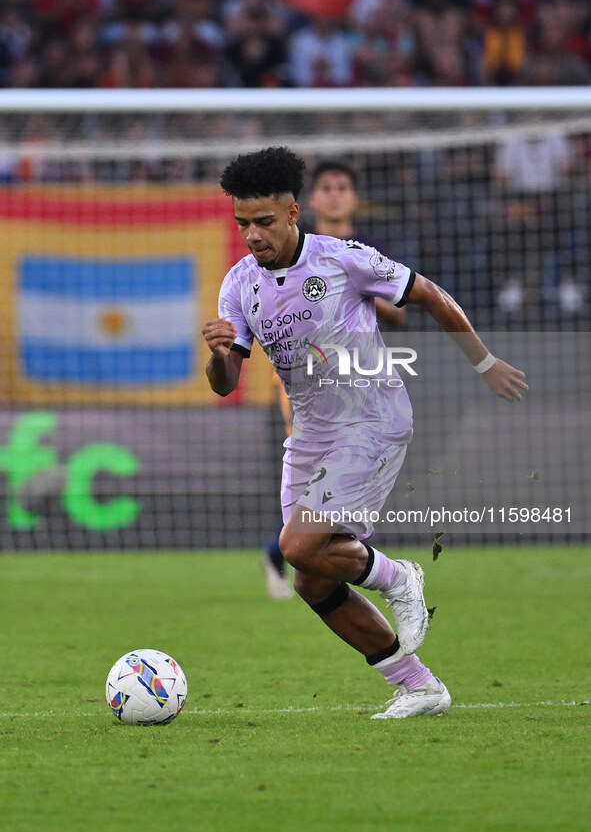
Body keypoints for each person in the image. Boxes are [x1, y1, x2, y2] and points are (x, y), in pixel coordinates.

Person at [202, 146, 527, 719]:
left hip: (372, 417)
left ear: (293, 212)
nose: (252, 235)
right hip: (311, 433)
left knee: (295, 546)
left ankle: (399, 576)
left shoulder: (341, 258)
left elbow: (427, 294)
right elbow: (225, 382)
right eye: (242, 224)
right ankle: (420, 686)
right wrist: (221, 353)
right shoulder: (237, 285)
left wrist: (484, 362)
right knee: (310, 579)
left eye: (264, 222)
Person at [262, 158, 406, 598]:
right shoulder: (297, 250)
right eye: (328, 187)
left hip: (362, 383)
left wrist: (355, 292)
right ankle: (293, 551)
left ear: (355, 198)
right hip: (307, 384)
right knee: (319, 484)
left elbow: (399, 312)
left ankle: (286, 552)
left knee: (345, 491)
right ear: (312, 200)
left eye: (345, 186)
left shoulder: (368, 250)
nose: (336, 194)